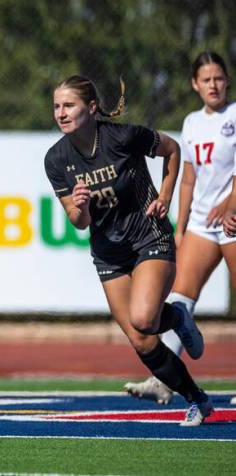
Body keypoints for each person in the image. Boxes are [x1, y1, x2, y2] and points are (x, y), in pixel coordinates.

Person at [44, 75, 213, 426]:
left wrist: (165, 195)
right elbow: (78, 222)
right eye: (57, 106)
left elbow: (172, 150)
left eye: (69, 105)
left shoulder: (122, 136)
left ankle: (177, 317)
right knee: (142, 341)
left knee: (143, 319)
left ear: (91, 108)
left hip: (148, 236)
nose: (61, 112)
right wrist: (81, 207)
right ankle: (196, 398)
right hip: (108, 252)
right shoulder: (56, 159)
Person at [124, 52, 236, 406]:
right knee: (179, 301)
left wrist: (231, 204)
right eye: (206, 80)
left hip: (232, 219)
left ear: (226, 81)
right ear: (194, 84)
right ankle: (163, 380)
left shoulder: (234, 115)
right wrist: (181, 226)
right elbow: (187, 178)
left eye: (218, 78)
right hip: (203, 223)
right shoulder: (191, 122)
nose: (213, 85)